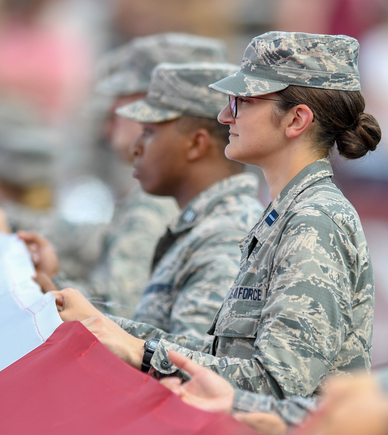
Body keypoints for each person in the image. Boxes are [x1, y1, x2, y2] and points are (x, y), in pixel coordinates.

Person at [52, 31, 380, 402]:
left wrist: (137, 350)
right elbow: (227, 359)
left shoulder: (314, 222)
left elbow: (277, 386)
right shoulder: (286, 215)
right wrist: (103, 324)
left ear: (296, 120)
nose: (224, 115)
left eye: (241, 102)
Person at [34, 61, 264, 339]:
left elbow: (192, 364)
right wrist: (57, 288)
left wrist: (92, 321)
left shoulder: (226, 234)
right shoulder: (199, 225)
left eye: (149, 133)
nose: (136, 147)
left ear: (196, 144)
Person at [16, 33, 230, 319]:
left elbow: (121, 319)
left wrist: (51, 289)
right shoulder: (169, 195)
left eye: (123, 101)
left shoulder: (160, 201)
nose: (111, 119)